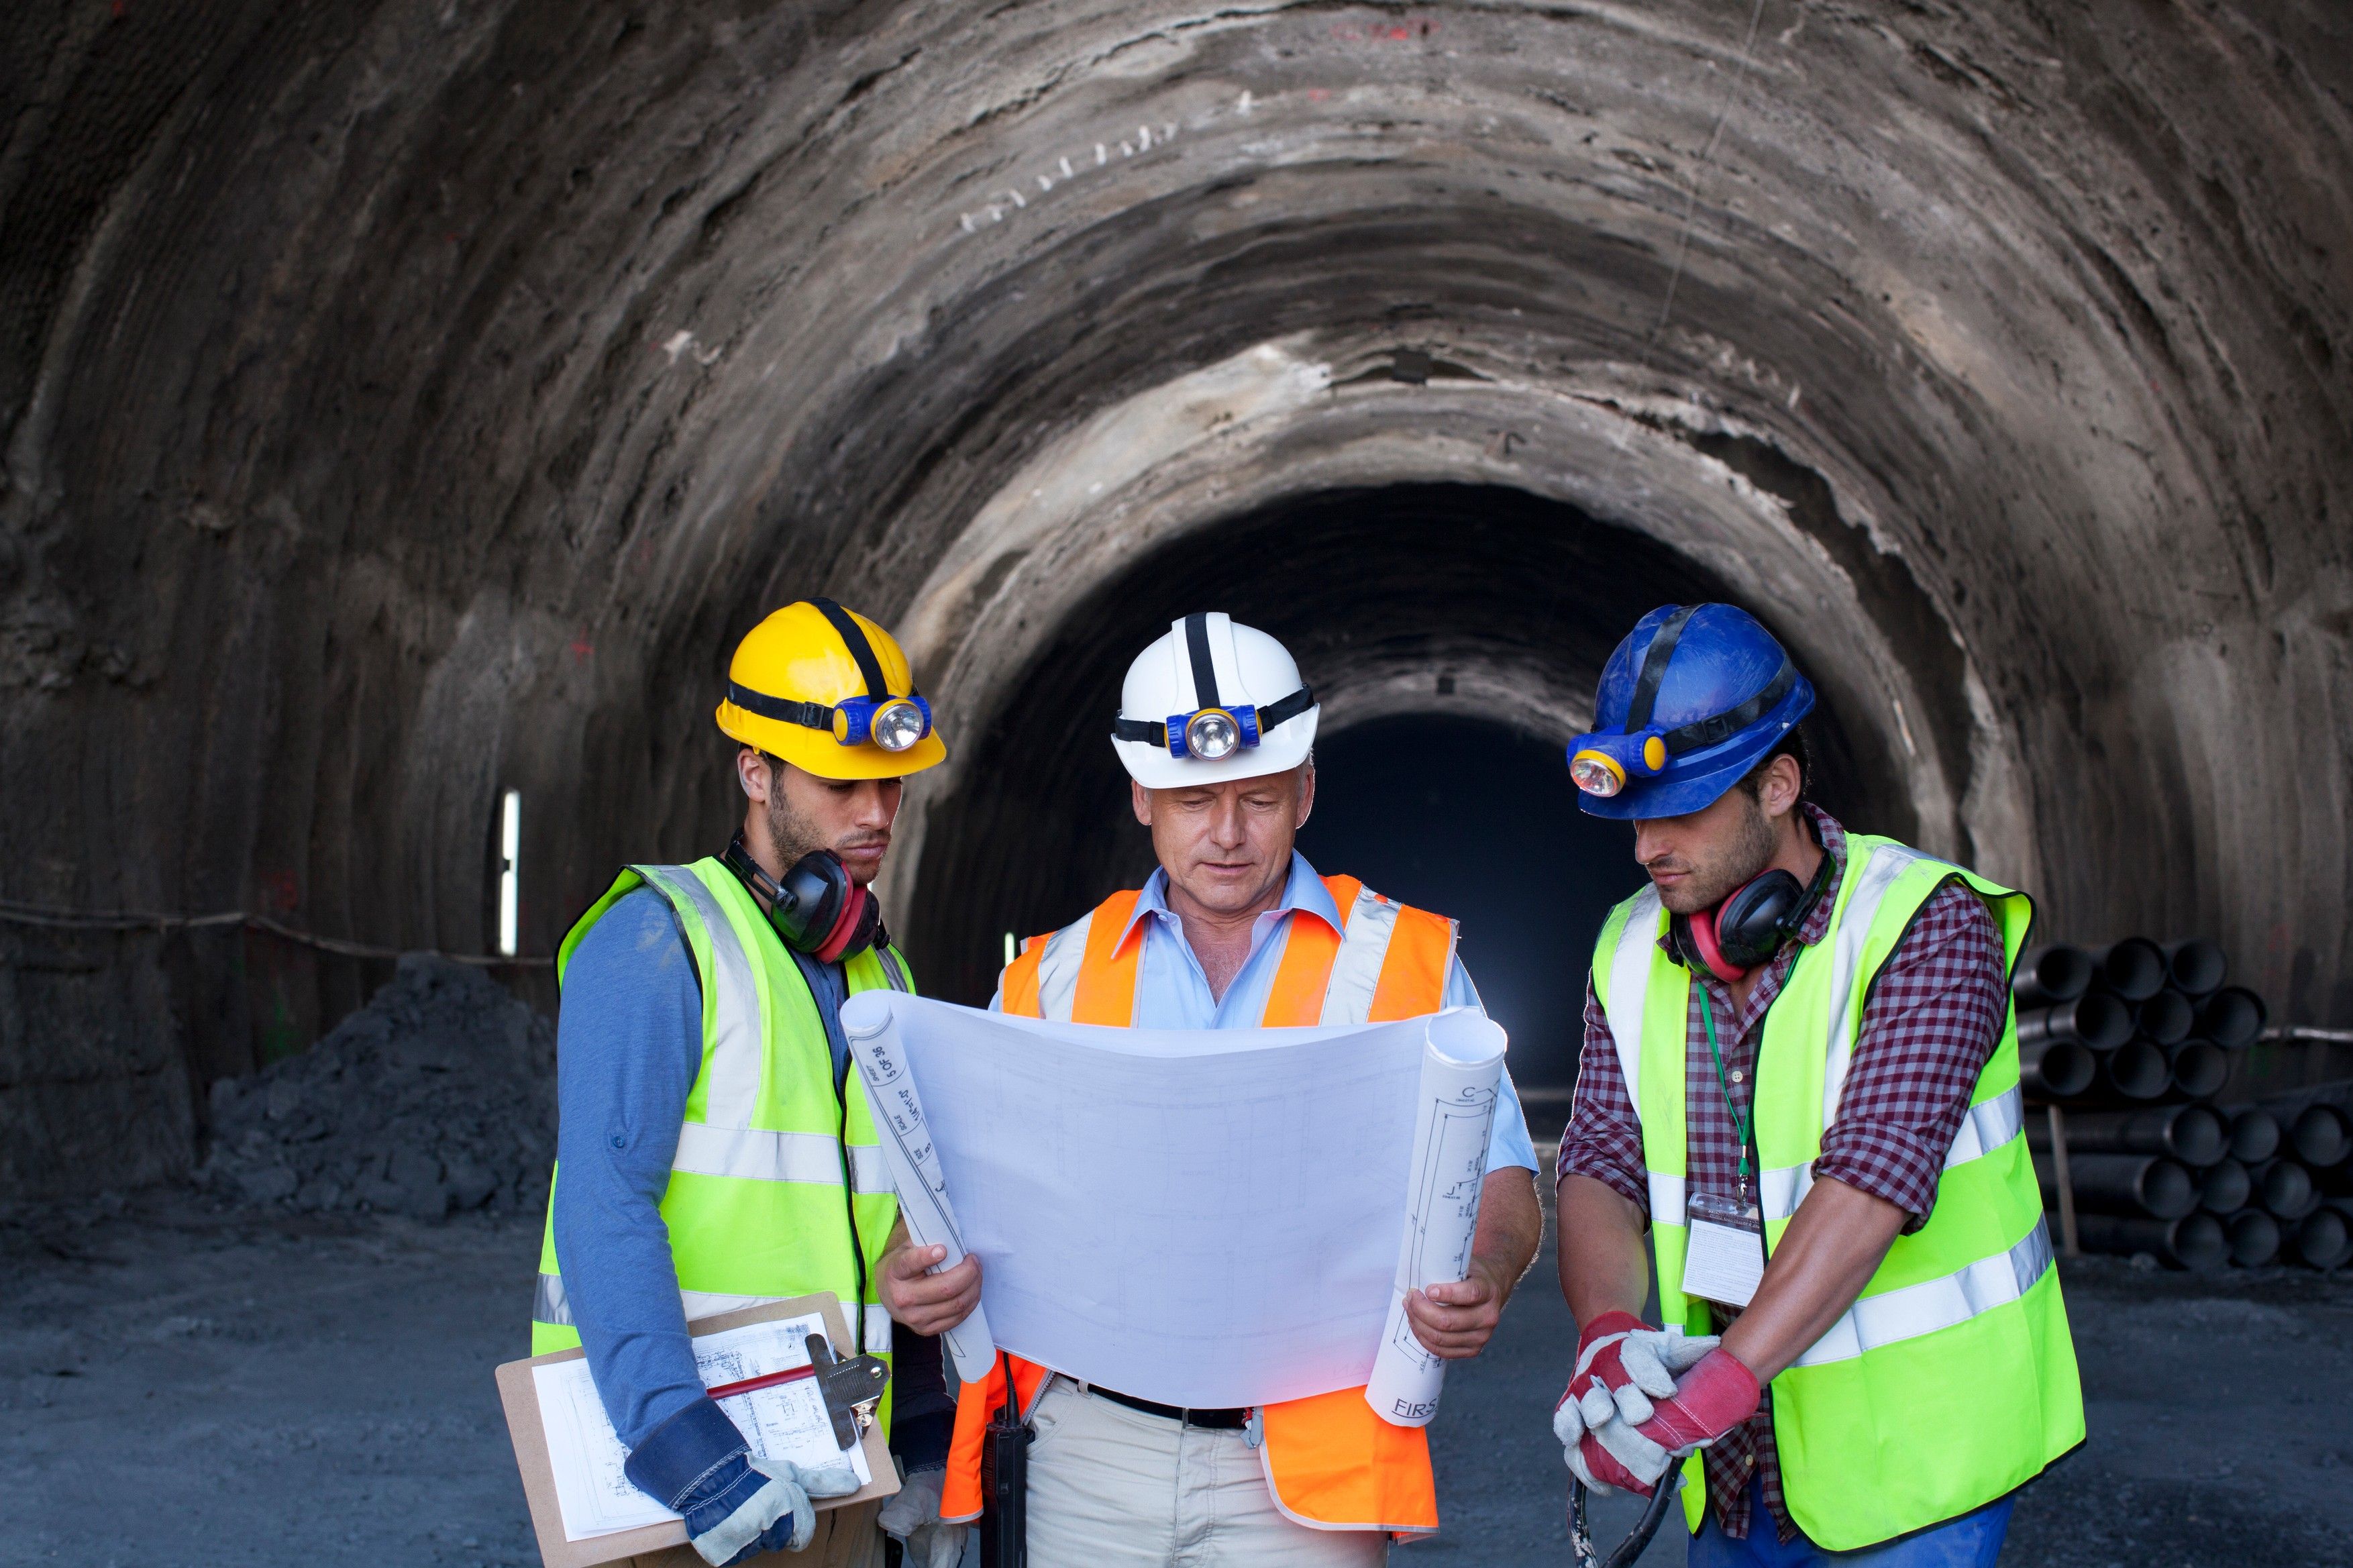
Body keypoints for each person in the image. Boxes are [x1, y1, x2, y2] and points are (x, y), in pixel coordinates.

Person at [940, 611, 1545, 1565]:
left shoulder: (1406, 962)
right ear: (1142, 795)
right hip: (1084, 1450)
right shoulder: (1049, 979)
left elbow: (1503, 1174)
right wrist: (915, 1257)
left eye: (1258, 799)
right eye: (1192, 801)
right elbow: (949, 1177)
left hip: (1310, 1458)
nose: (1226, 834)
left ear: (1306, 789)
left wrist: (1486, 1272)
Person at [1550, 604, 2083, 1567]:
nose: (1646, 848)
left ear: (1779, 785)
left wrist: (1725, 1380)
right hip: (1738, 1472)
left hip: (1913, 1476)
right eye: (1635, 817)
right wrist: (1608, 1336)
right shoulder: (1629, 944)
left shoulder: (1928, 926)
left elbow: (1874, 1173)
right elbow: (1599, 1160)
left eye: (1682, 811)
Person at [529, 598, 982, 1568]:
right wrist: (688, 1456)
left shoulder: (881, 974)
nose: (878, 814)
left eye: (893, 783)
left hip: (836, 1462)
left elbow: (872, 1215)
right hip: (680, 1485)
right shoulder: (658, 942)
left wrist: (921, 1382)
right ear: (755, 770)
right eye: (842, 784)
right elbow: (605, 1207)